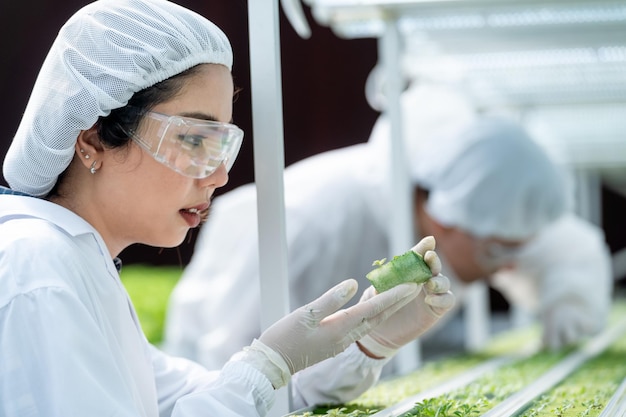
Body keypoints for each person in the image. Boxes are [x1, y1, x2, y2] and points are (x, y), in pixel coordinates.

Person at [0, 0, 456, 415]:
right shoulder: (40, 267)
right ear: (93, 139)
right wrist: (268, 363)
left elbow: (205, 397)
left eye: (221, 146)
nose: (218, 176)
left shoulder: (76, 261)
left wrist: (368, 345)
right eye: (194, 139)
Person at [164, 83, 613, 373]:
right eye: (497, 251)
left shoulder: (463, 206)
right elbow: (228, 364)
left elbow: (559, 252)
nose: (508, 266)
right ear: (443, 217)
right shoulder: (316, 223)